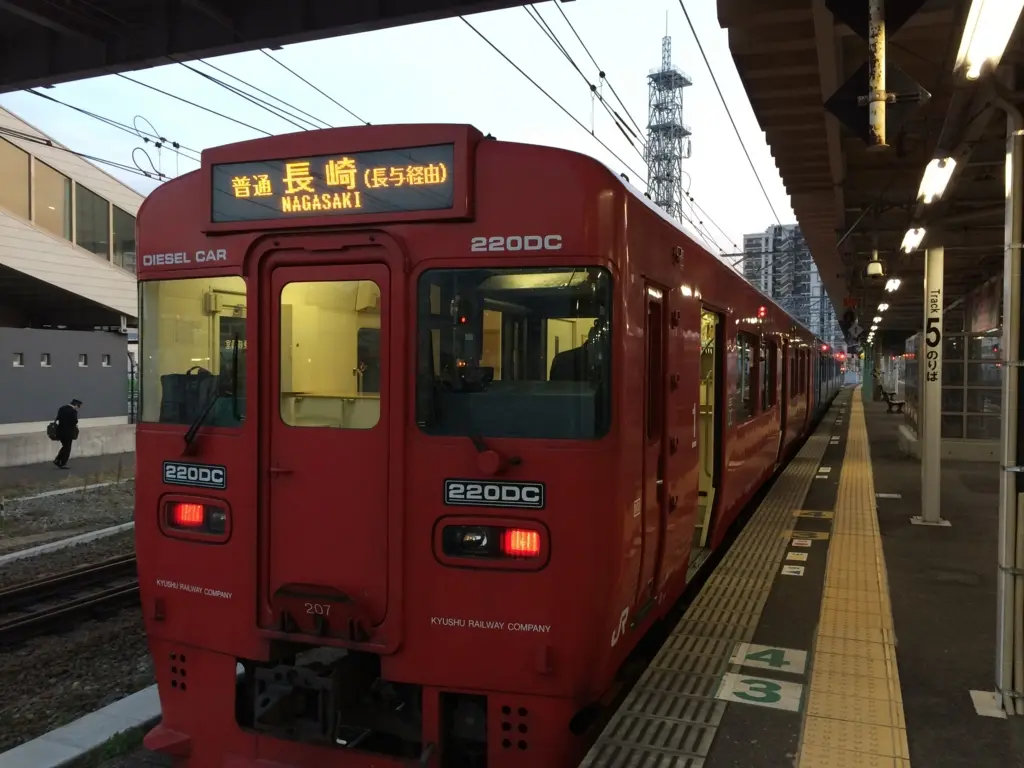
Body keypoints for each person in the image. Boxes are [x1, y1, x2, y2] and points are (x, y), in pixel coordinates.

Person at [53, 398, 81, 469]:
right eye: (78, 406)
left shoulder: (62, 408)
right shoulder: (73, 411)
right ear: (76, 405)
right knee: (67, 448)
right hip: (68, 432)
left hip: (60, 431)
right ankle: (62, 463)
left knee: (65, 446)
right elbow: (75, 421)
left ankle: (58, 460)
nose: (77, 408)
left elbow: (58, 418)